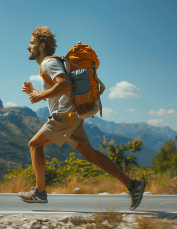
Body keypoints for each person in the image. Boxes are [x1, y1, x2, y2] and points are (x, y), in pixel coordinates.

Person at [18, 26, 146, 211]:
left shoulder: (48, 63)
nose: (28, 47)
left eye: (31, 43)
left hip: (64, 118)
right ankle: (133, 186)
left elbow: (64, 85)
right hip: (72, 116)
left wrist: (39, 96)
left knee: (34, 144)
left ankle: (40, 192)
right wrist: (35, 93)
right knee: (90, 154)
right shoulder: (49, 64)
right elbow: (59, 92)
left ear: (42, 45)